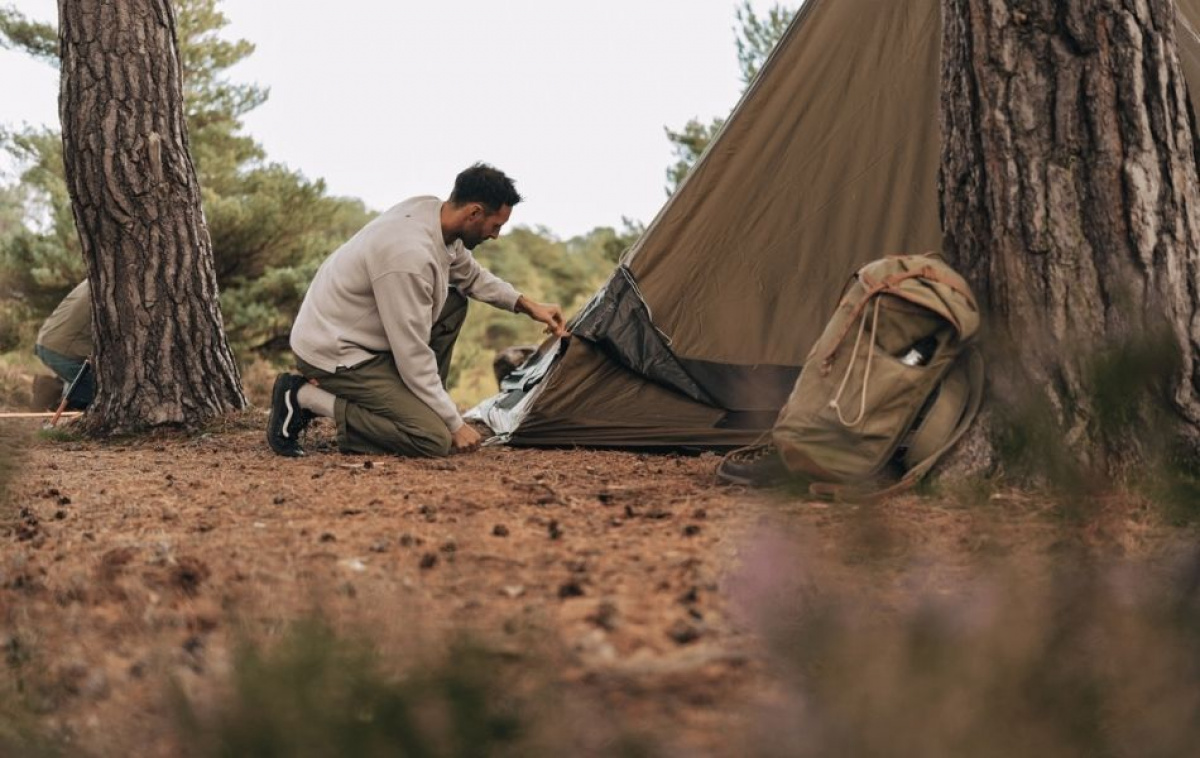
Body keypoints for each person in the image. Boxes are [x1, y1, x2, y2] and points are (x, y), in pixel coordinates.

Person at [268, 163, 568, 458]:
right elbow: (412, 355)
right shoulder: (407, 256)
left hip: (365, 336)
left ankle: (423, 403)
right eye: (496, 226)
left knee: (454, 303)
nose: (495, 235)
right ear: (474, 212)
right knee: (432, 438)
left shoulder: (433, 214)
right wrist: (452, 423)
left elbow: (471, 276)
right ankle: (303, 397)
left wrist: (527, 305)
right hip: (336, 352)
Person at [34, 280, 95, 409]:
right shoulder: (115, 286)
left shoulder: (96, 276)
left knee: (87, 381)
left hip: (50, 341)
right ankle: (55, 399)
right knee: (102, 392)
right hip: (61, 350)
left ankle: (55, 388)